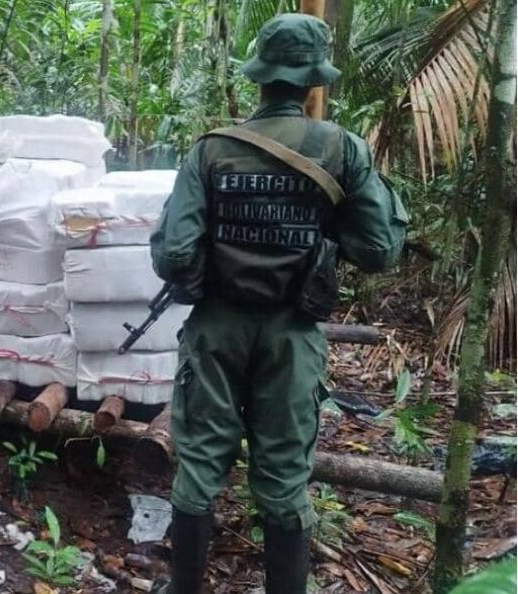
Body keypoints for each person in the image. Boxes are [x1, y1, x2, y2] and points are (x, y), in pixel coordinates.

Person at [149, 14, 407, 594]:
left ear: (259, 76)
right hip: (293, 333)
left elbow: (172, 254)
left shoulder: (211, 151)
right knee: (286, 474)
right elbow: (381, 249)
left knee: (198, 466)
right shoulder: (344, 149)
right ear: (314, 80)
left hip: (216, 328)